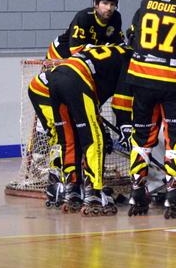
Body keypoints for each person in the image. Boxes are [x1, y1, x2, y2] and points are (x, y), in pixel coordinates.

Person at [126, 0, 176, 218]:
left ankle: (137, 191)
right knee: (175, 140)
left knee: (142, 138)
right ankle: (173, 195)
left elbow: (134, 35)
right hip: (172, 82)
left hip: (141, 78)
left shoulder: (146, 2)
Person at [36, 43, 132, 216]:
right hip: (77, 80)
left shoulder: (114, 51)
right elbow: (121, 99)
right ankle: (94, 193)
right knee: (94, 140)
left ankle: (72, 190)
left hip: (56, 79)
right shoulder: (131, 58)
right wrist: (125, 127)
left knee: (69, 140)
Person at [47, 0, 123, 59]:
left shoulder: (116, 17)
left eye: (112, 4)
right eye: (105, 3)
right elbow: (76, 49)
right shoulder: (84, 17)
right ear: (96, 3)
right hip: (59, 54)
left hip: (85, 56)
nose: (109, 8)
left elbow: (118, 44)